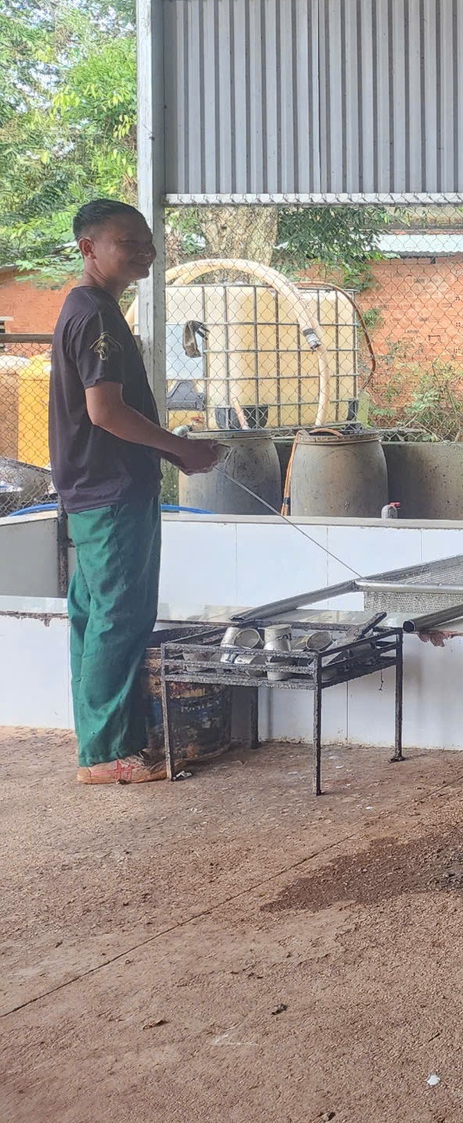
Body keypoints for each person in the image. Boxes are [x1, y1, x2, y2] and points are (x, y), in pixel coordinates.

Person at [53, 200, 221, 784]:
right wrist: (178, 448)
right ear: (89, 248)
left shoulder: (89, 308)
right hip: (112, 486)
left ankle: (100, 744)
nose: (145, 251)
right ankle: (107, 754)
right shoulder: (95, 315)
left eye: (148, 241)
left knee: (94, 613)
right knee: (119, 615)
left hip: (92, 488)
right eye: (129, 242)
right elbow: (105, 412)